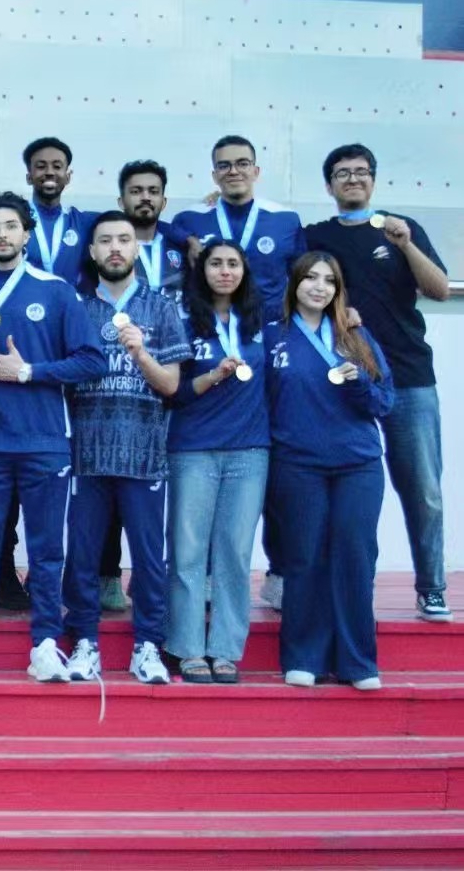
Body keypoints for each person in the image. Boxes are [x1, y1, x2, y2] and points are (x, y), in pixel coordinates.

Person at [0, 192, 105, 683]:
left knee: (46, 551)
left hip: (44, 441)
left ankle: (45, 643)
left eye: (11, 226)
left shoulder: (56, 291)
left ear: (26, 233)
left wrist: (30, 371)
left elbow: (92, 360)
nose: (2, 235)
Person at [304, 144, 451, 622]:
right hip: (344, 381)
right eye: (342, 173)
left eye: (361, 171)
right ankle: (349, 588)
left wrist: (406, 244)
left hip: (408, 377)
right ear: (329, 185)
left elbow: (439, 290)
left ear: (373, 178)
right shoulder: (316, 236)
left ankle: (431, 588)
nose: (353, 179)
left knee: (422, 488)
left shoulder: (401, 228)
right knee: (347, 491)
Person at [172, 135, 305, 610]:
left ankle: (280, 569)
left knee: (272, 465)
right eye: (224, 165)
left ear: (256, 170)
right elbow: (163, 233)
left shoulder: (285, 220)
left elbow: (305, 277)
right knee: (210, 471)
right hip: (211, 348)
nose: (234, 171)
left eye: (242, 163)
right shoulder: (191, 220)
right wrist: (187, 238)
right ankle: (205, 575)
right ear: (213, 174)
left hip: (268, 350)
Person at [61, 212, 189, 685]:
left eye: (123, 240)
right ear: (92, 251)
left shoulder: (162, 307)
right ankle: (84, 643)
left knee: (149, 558)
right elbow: (63, 379)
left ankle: (148, 646)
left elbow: (171, 385)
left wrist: (140, 353)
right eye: (105, 241)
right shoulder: (74, 307)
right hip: (87, 453)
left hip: (144, 453)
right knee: (83, 554)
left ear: (136, 249)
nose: (115, 248)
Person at [266, 253, 393, 690]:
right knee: (304, 557)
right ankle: (304, 656)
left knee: (355, 557)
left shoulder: (355, 334)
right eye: (310, 278)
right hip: (297, 463)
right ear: (294, 283)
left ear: (338, 290)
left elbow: (385, 402)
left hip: (358, 464)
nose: (319, 287)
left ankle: (358, 661)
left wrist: (360, 383)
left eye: (329, 280)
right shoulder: (273, 336)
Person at [165, 240, 270, 683]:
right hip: (193, 449)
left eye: (233, 264)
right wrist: (211, 376)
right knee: (188, 553)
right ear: (201, 270)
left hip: (250, 451)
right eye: (216, 264)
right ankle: (188, 647)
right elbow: (174, 392)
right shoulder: (182, 319)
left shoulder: (262, 321)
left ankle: (225, 648)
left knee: (234, 553)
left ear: (244, 272)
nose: (225, 272)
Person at [22, 137, 94, 286]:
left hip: (70, 301)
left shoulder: (82, 222)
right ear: (29, 177)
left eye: (57, 166)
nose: (49, 172)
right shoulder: (13, 221)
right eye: (41, 166)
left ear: (67, 177)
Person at [118, 159, 186, 301]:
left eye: (153, 192)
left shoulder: (182, 247)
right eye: (136, 191)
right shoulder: (108, 248)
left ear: (163, 202)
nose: (146, 197)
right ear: (121, 202)